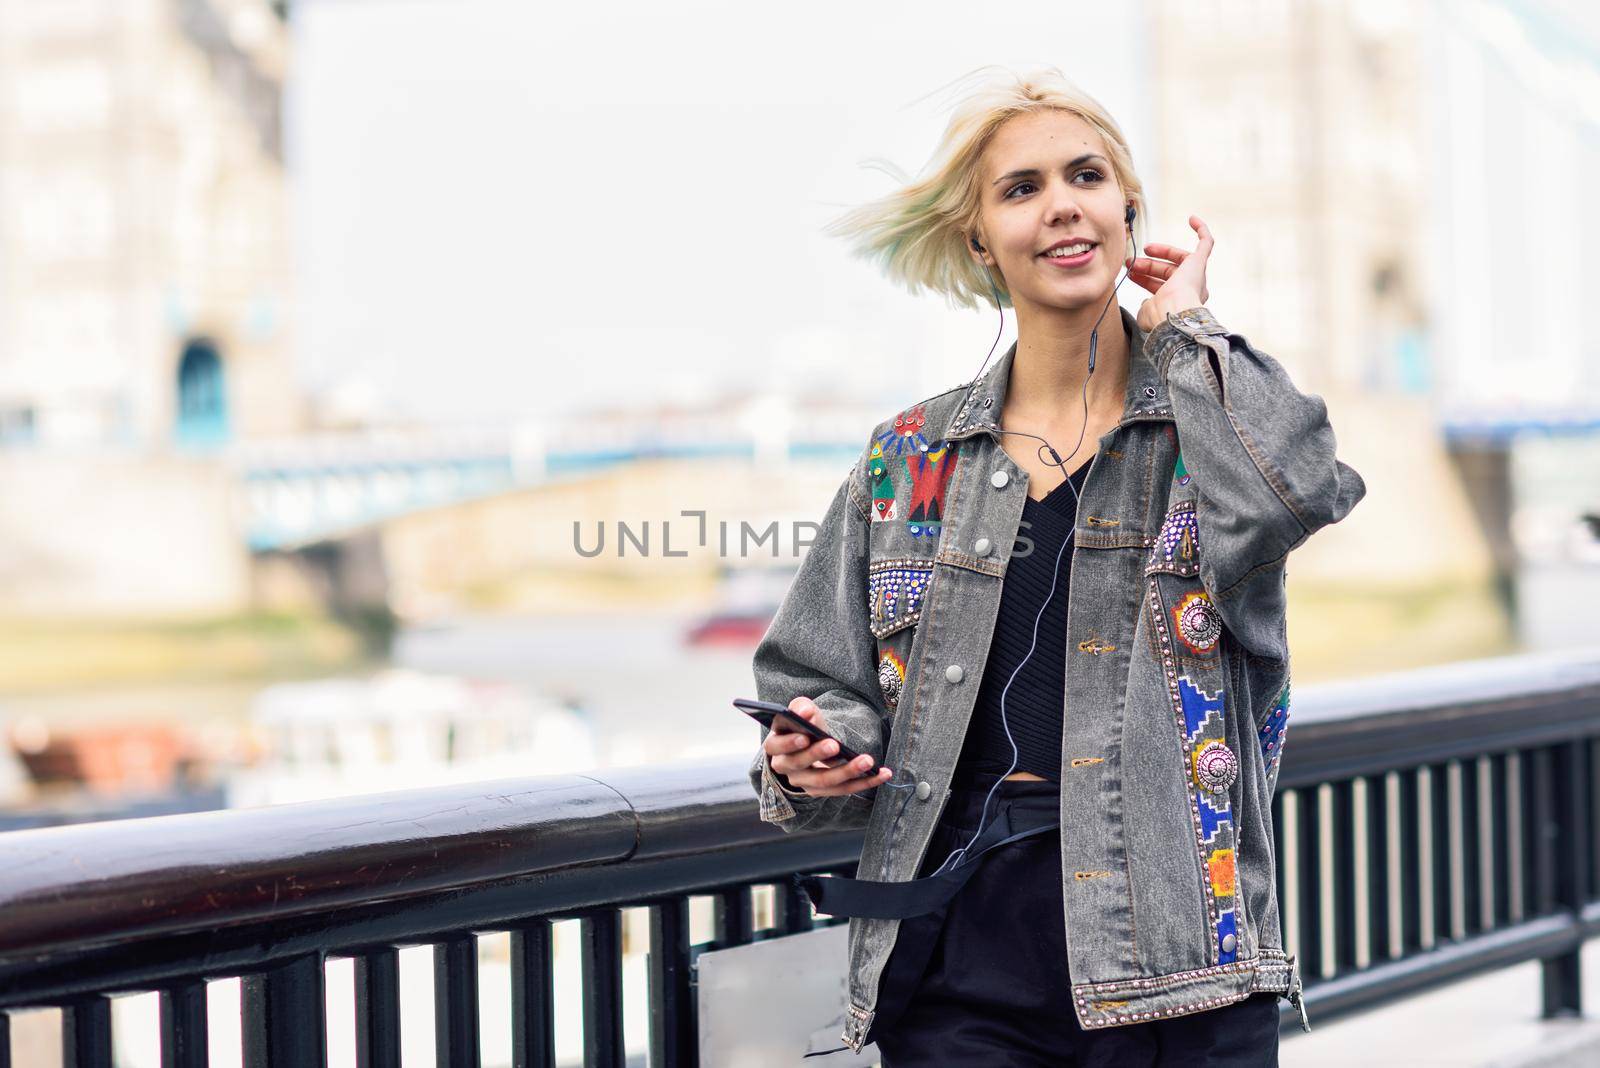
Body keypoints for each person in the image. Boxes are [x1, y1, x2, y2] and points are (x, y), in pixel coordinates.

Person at [748, 66, 1366, 1065]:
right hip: (955, 961)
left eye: (1085, 175)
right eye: (1020, 188)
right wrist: (818, 750)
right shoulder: (907, 460)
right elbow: (820, 681)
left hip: (1177, 974)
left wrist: (1185, 326)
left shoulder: (1204, 435)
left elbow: (1297, 489)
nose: (1061, 206)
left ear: (1128, 212)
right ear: (978, 240)